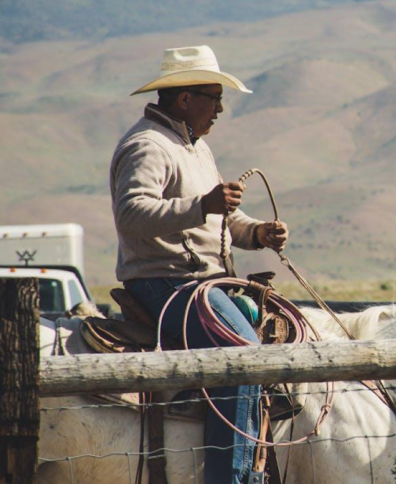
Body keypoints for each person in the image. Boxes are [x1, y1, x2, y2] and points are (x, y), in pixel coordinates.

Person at [109, 45, 289, 484]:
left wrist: (257, 233)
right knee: (242, 355)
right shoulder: (147, 145)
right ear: (185, 99)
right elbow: (131, 215)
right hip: (163, 281)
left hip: (199, 281)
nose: (221, 108)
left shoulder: (195, 148)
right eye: (214, 95)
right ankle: (233, 478)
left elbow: (220, 219)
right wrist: (201, 204)